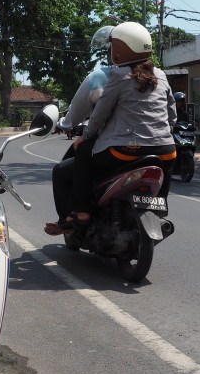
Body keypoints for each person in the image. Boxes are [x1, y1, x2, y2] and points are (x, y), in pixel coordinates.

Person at [57, 21, 176, 231]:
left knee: (83, 152)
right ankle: (160, 209)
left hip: (124, 151)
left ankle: (82, 212)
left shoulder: (118, 75)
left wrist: (87, 136)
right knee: (167, 163)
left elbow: (100, 114)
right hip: (166, 150)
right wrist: (163, 135)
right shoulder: (162, 75)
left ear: (119, 51)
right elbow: (171, 116)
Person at [45, 26, 113, 235]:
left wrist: (65, 125)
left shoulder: (106, 77)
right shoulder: (156, 77)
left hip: (112, 145)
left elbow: (83, 114)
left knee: (70, 163)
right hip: (157, 146)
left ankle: (73, 217)